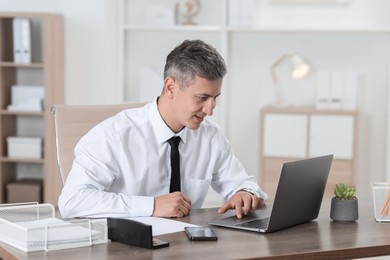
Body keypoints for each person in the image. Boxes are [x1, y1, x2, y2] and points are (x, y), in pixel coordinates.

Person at [58, 39, 267, 220]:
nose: (210, 110)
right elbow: (72, 201)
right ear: (170, 87)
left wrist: (245, 193)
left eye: (215, 99)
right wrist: (151, 206)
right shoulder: (113, 136)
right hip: (125, 248)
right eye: (203, 98)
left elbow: (242, 183)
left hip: (187, 247)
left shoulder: (210, 136)